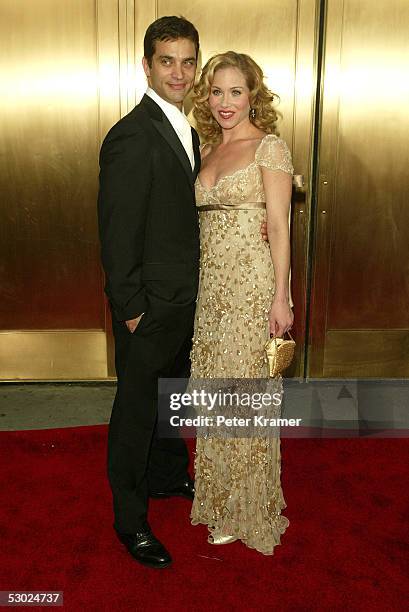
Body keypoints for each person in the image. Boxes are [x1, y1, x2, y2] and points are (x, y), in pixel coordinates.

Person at [97, 16, 201, 569]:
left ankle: (165, 479)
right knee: (135, 413)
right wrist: (132, 308)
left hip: (184, 302)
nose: (178, 72)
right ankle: (130, 522)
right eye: (167, 61)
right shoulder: (131, 135)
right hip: (149, 309)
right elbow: (116, 231)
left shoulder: (189, 128)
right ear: (147, 66)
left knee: (168, 403)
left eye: (187, 61)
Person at [190, 51, 294, 555]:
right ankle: (219, 496)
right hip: (211, 293)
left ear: (253, 94)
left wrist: (282, 296)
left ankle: (247, 507)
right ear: (206, 96)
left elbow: (278, 226)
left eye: (236, 91)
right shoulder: (207, 149)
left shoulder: (268, 149)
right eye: (216, 91)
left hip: (251, 291)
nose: (226, 102)